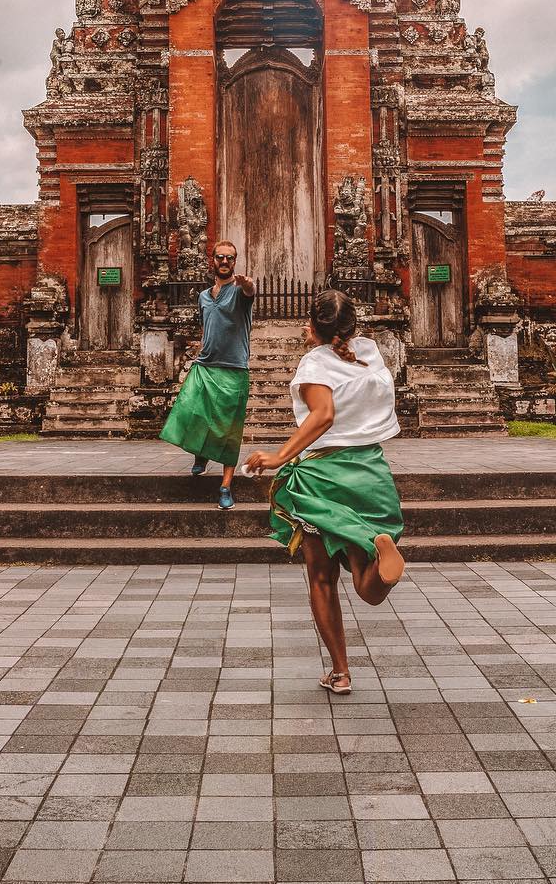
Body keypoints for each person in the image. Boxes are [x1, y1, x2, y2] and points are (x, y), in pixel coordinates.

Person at [245, 289, 404, 693]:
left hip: (325, 478)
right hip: (370, 472)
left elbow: (324, 415)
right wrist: (323, 336)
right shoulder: (370, 352)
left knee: (321, 577)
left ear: (315, 325)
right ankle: (383, 565)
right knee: (367, 585)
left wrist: (280, 456)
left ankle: (340, 671)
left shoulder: (315, 362)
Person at [159, 240, 254, 508]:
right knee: (189, 411)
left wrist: (247, 283)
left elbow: (250, 290)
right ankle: (201, 452)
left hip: (233, 368)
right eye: (220, 257)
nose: (225, 262)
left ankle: (225, 486)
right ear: (212, 260)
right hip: (205, 365)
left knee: (229, 430)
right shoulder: (203, 296)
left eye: (230, 258)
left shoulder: (239, 292)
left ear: (235, 262)